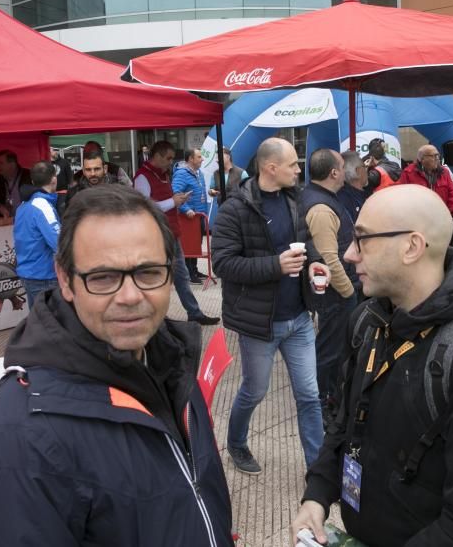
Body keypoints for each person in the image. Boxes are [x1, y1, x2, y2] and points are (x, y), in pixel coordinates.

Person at [0, 186, 234, 545]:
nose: (130, 296)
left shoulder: (171, 363)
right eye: (103, 277)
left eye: (149, 272)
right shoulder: (18, 441)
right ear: (65, 280)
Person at [291, 185, 453, 547]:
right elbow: (344, 423)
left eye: (362, 240)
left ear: (412, 247)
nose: (349, 254)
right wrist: (318, 491)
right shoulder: (367, 320)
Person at [212, 137, 330, 474]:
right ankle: (236, 442)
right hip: (260, 323)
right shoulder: (235, 208)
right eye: (293, 164)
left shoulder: (296, 199)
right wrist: (275, 265)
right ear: (270, 167)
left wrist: (315, 264)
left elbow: (307, 243)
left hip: (299, 319)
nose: (299, 169)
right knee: (254, 390)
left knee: (309, 395)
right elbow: (223, 264)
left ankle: (316, 468)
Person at [298, 149, 358, 423]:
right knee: (329, 351)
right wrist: (349, 292)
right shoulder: (321, 208)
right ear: (334, 172)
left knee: (334, 350)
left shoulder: (323, 199)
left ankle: (331, 398)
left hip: (337, 292)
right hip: (336, 294)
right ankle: (322, 405)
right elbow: (328, 260)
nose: (347, 170)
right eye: (343, 165)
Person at [134, 141, 219, 326]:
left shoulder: (163, 174)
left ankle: (193, 313)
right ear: (157, 156)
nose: (171, 162)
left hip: (170, 232)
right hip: (156, 236)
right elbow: (143, 206)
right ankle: (159, 316)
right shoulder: (143, 177)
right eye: (169, 158)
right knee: (159, 277)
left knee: (180, 276)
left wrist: (175, 201)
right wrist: (173, 202)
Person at [14, 161, 61, 306]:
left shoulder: (23, 205)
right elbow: (59, 243)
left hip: (29, 273)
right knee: (51, 323)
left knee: (38, 322)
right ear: (54, 179)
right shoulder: (42, 205)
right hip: (44, 275)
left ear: (33, 181)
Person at [172, 147, 214, 283]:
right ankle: (188, 273)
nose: (202, 159)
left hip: (199, 215)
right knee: (188, 244)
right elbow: (176, 193)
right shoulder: (181, 174)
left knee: (196, 243)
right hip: (188, 217)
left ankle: (194, 269)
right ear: (190, 159)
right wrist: (186, 209)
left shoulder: (199, 173)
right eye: (199, 157)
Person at [396, 144, 453, 216]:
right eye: (433, 156)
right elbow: (402, 197)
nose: (437, 158)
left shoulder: (444, 172)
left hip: (441, 216)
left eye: (438, 155)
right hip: (418, 217)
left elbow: (452, 194)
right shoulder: (408, 173)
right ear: (422, 159)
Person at [0, 149, 31, 218]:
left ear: (12, 164)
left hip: (27, 220)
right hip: (6, 223)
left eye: (1, 163)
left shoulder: (29, 177)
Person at [336, 150, 367, 223]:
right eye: (364, 166)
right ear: (358, 171)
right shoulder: (345, 199)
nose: (367, 170)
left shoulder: (343, 195)